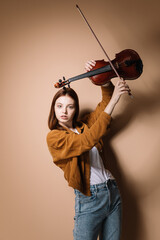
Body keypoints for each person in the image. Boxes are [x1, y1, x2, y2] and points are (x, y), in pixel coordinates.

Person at [46, 60, 130, 240]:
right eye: (59, 106)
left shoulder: (84, 124)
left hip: (112, 191)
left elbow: (104, 105)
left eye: (70, 106)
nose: (64, 111)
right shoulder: (54, 137)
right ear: (53, 108)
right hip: (90, 198)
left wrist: (103, 76)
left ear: (75, 109)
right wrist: (116, 99)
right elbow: (87, 141)